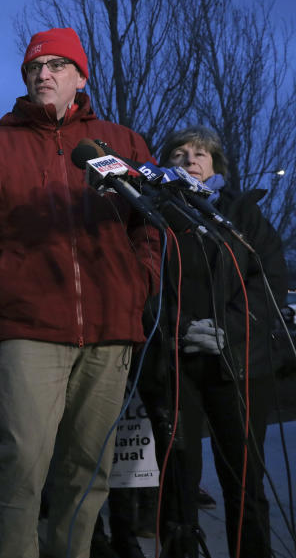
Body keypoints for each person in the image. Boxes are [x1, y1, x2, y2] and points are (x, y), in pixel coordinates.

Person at [0, 27, 161, 558]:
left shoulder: (121, 142)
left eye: (55, 65)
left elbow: (150, 223)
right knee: (23, 463)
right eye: (34, 68)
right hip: (30, 328)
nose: (43, 74)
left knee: (88, 469)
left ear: (80, 75)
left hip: (111, 327)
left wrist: (140, 278)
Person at [140, 126, 287, 558]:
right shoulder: (151, 216)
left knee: (243, 478)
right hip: (175, 363)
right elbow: (142, 283)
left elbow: (270, 279)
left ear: (215, 166)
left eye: (201, 153)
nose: (190, 160)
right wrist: (179, 328)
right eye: (180, 153)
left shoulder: (242, 215)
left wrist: (230, 328)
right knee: (179, 478)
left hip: (239, 364)